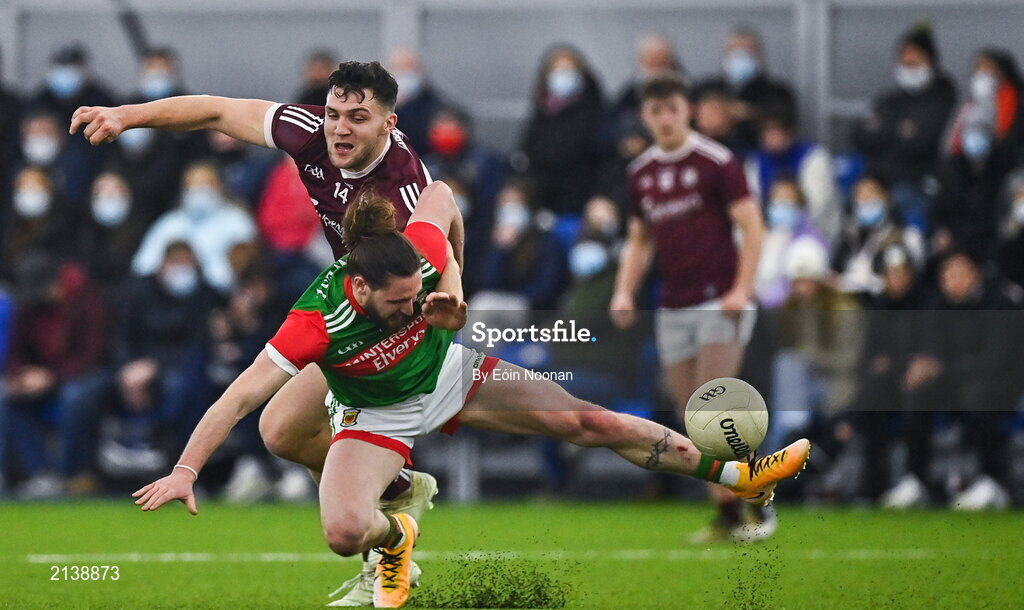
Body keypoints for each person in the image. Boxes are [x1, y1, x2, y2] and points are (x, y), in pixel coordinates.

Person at [132, 183, 811, 609]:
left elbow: (445, 196)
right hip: (378, 411)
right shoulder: (316, 320)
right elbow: (238, 398)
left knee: (589, 420)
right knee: (343, 532)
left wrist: (451, 279)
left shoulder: (416, 258)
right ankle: (396, 531)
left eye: (416, 297)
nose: (410, 308)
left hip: (451, 373)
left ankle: (740, 478)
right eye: (399, 305)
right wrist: (186, 470)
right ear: (360, 291)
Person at [70, 59, 456, 604]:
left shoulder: (404, 192)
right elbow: (217, 110)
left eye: (358, 117)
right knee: (278, 431)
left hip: (397, 327)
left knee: (343, 526)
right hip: (350, 307)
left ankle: (386, 536)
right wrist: (127, 115)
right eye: (333, 113)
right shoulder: (313, 134)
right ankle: (395, 496)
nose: (340, 128)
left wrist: (454, 297)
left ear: (389, 124)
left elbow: (442, 231)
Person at [608, 74, 770, 543]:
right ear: (645, 116)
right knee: (691, 419)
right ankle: (728, 515)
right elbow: (640, 240)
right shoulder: (641, 172)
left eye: (672, 108)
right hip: (672, 304)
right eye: (655, 111)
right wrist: (625, 291)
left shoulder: (717, 161)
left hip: (719, 298)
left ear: (687, 109)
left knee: (715, 405)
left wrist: (742, 289)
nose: (664, 118)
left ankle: (761, 502)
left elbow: (753, 227)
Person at [851, 24, 957, 233]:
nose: (909, 66)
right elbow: (859, 136)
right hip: (880, 178)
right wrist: (900, 130)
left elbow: (921, 142)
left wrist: (883, 129)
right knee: (858, 196)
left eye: (915, 61)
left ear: (931, 62)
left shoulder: (943, 97)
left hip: (918, 181)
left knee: (904, 199)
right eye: (905, 62)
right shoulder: (890, 99)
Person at [131, 161, 258, 293]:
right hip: (172, 298)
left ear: (219, 186)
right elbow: (142, 266)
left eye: (204, 185)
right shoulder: (169, 223)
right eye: (192, 186)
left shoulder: (238, 221)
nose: (198, 191)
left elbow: (249, 264)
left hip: (223, 296)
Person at [518, 45, 605, 214]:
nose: (562, 75)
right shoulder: (541, 114)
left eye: (568, 69)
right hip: (544, 204)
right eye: (557, 69)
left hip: (582, 202)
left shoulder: (596, 115)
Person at [745, 106, 842, 243]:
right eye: (768, 131)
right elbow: (751, 205)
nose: (773, 137)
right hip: (769, 237)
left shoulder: (814, 157)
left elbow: (816, 208)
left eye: (778, 131)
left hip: (816, 237)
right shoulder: (755, 162)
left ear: (791, 132)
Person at [692, 27, 796, 151]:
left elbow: (782, 120)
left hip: (760, 156)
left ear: (760, 55)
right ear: (725, 54)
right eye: (734, 49)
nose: (740, 54)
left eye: (747, 49)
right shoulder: (705, 87)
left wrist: (749, 113)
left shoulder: (778, 92)